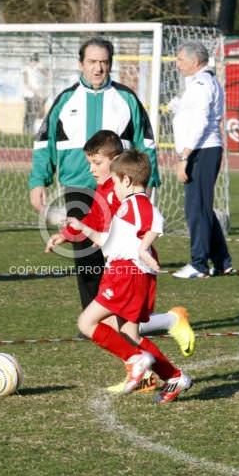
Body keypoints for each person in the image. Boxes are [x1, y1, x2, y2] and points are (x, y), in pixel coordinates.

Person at [29, 36, 160, 310]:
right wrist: (38, 180)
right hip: (78, 187)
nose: (98, 68)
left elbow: (146, 143)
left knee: (120, 254)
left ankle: (127, 313)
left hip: (119, 188)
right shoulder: (65, 100)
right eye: (92, 62)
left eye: (104, 62)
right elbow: (44, 143)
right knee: (86, 253)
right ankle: (95, 316)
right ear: (81, 64)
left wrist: (148, 181)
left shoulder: (126, 99)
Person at [45, 130, 195, 366]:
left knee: (111, 324)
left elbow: (152, 219)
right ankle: (153, 364)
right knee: (122, 328)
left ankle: (168, 327)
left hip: (133, 267)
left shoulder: (125, 191)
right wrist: (66, 234)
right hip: (119, 265)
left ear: (115, 162)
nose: (91, 169)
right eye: (90, 163)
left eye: (96, 163)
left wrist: (142, 246)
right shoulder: (104, 190)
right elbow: (95, 219)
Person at [67, 149, 192, 403]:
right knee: (130, 337)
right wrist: (84, 228)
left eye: (114, 182)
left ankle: (135, 360)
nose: (113, 188)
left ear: (126, 180)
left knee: (86, 323)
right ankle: (175, 376)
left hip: (127, 275)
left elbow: (157, 220)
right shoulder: (127, 207)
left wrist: (144, 247)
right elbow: (109, 243)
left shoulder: (136, 203)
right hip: (127, 274)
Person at [170, 41, 232, 279]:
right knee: (201, 206)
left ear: (194, 61)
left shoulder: (201, 84)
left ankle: (199, 264)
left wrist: (184, 157)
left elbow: (200, 123)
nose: (178, 64)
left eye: (180, 60)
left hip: (202, 150)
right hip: (202, 149)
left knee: (196, 208)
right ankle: (222, 260)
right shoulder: (199, 83)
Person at [22, 53, 47, 134]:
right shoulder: (26, 69)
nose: (34, 63)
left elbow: (47, 74)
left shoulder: (38, 68)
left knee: (37, 113)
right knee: (29, 113)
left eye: (36, 61)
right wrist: (34, 91)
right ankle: (27, 131)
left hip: (37, 95)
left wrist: (41, 68)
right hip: (29, 94)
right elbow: (26, 82)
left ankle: (33, 131)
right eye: (33, 61)